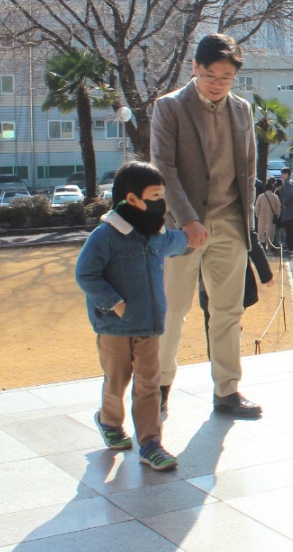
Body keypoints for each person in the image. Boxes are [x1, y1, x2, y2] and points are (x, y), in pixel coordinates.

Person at [151, 33, 263, 419]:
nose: (218, 84)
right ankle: (158, 386)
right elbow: (163, 168)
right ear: (195, 68)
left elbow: (248, 170)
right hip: (181, 227)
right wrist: (187, 220)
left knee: (228, 310)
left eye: (226, 78)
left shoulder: (241, 110)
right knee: (172, 309)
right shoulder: (170, 107)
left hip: (231, 222)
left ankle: (227, 390)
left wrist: (247, 224)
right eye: (211, 75)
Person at [74, 161, 189, 472]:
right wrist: (115, 303)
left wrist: (194, 234)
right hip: (114, 326)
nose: (161, 203)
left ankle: (150, 443)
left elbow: (177, 242)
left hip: (149, 326)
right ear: (132, 199)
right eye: (155, 196)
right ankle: (109, 421)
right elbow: (86, 274)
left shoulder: (156, 234)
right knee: (118, 380)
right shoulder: (106, 235)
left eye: (162, 195)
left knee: (149, 384)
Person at [253, 179, 281, 250]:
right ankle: (269, 250)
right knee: (269, 234)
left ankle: (262, 249)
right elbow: (278, 208)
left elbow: (256, 208)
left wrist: (258, 215)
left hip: (261, 219)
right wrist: (277, 215)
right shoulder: (275, 197)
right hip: (271, 219)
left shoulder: (260, 196)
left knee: (261, 235)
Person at [278, 177, 293, 254]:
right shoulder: (291, 182)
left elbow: (290, 194)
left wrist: (284, 202)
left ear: (286, 174)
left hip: (289, 212)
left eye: (282, 173)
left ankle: (292, 247)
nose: (281, 175)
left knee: (289, 230)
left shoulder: (287, 183)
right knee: (290, 230)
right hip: (292, 212)